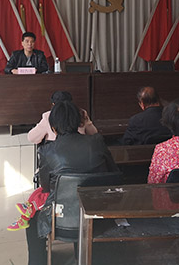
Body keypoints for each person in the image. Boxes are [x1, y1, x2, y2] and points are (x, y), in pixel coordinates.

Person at [24, 101, 118, 265]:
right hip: (97, 219)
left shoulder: (47, 151)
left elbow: (46, 187)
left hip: (61, 222)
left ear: (53, 128)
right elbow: (113, 174)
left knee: (31, 221)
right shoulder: (97, 142)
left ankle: (37, 262)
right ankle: (82, 253)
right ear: (79, 122)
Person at [7, 91, 98, 231]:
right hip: (83, 181)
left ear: (55, 128)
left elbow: (32, 138)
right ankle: (28, 210)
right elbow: (94, 134)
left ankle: (29, 211)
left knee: (45, 190)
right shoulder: (82, 116)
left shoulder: (49, 120)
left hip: (58, 177)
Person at [27, 90, 97, 144]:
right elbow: (93, 133)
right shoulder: (81, 113)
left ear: (53, 104)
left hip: (56, 152)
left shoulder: (48, 116)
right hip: (80, 148)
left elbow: (32, 138)